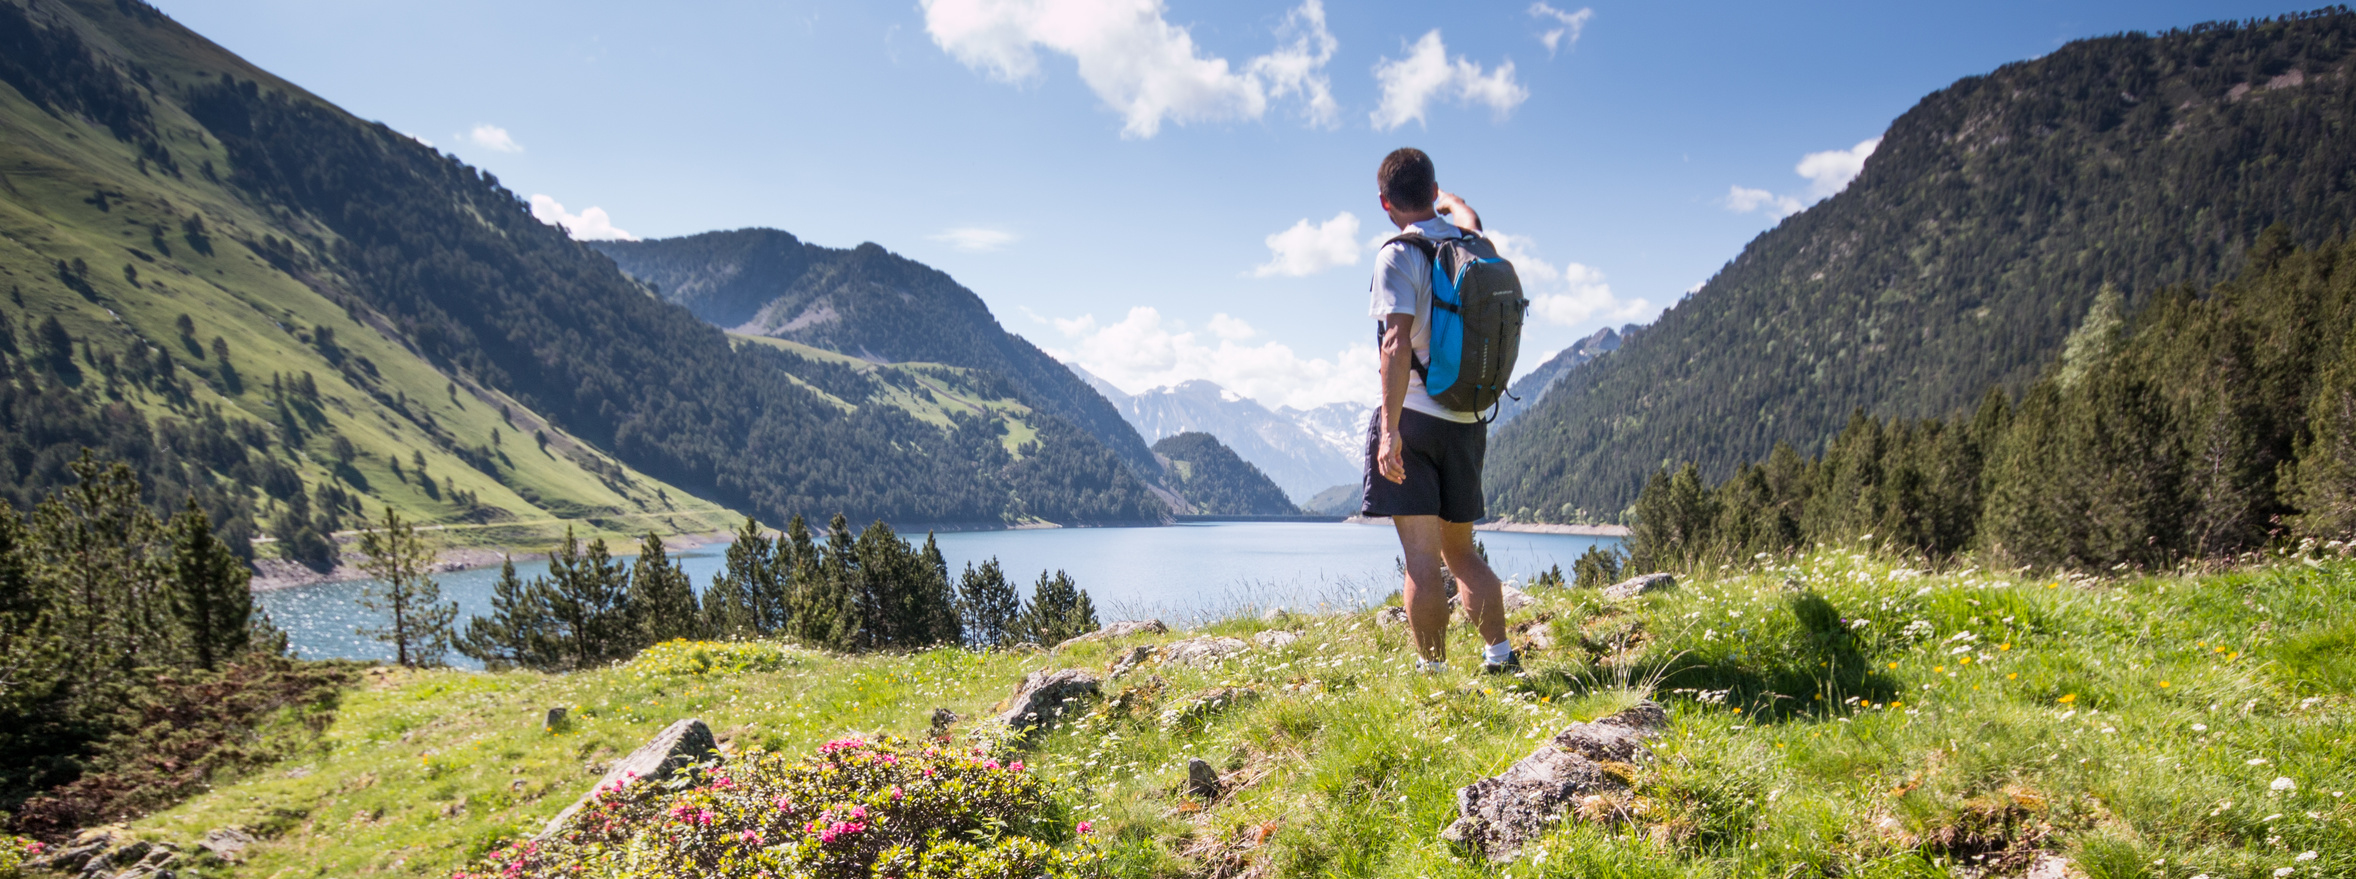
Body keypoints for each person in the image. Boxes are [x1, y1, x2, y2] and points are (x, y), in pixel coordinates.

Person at [1359, 147, 1517, 675]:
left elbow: (1396, 343)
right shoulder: (1473, 243)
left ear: (1385, 202)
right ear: (1433, 193)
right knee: (1463, 554)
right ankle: (1500, 658)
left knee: (1423, 563)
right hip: (1469, 421)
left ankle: (1435, 676)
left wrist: (1389, 428)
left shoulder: (1398, 255)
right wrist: (1449, 200)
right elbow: (1467, 214)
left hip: (1419, 422)